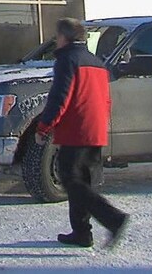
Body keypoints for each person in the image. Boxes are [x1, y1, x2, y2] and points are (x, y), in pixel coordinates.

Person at [36, 17, 129, 248]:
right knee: (81, 182)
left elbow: (60, 97)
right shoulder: (97, 62)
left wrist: (44, 126)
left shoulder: (67, 60)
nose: (56, 41)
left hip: (75, 131)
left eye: (57, 36)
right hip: (94, 131)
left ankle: (113, 219)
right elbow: (105, 99)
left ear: (64, 37)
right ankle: (81, 233)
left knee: (71, 181)